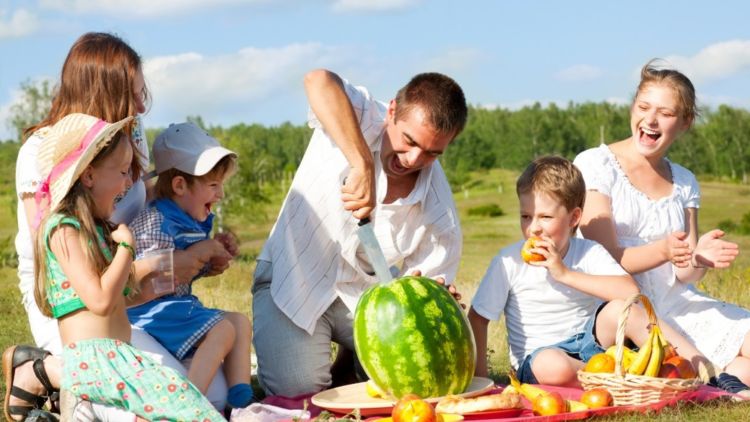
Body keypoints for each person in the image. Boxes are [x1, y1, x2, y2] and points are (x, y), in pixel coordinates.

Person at [5, 32, 227, 420]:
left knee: (215, 394)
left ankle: (70, 393)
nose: (142, 104)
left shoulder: (128, 137)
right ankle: (44, 371)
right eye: (133, 93)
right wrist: (138, 265)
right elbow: (59, 259)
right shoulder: (41, 153)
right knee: (145, 407)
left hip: (128, 290)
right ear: (102, 93)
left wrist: (194, 242)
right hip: (76, 304)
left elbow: (145, 198)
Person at [252, 69, 467, 396]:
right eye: (409, 141)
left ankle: (354, 357)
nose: (413, 159)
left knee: (418, 380)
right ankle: (351, 360)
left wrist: (433, 296)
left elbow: (423, 300)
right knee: (299, 390)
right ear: (392, 110)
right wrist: (362, 162)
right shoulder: (364, 114)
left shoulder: (440, 215)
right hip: (292, 281)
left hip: (365, 298)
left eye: (432, 153)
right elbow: (318, 80)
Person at [31, 113, 224, 420]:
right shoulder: (63, 229)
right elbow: (101, 301)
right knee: (178, 411)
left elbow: (122, 294)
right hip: (96, 364)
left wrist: (176, 275)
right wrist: (126, 248)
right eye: (122, 171)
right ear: (89, 176)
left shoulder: (98, 229)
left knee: (189, 401)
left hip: (119, 357)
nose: (129, 182)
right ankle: (78, 404)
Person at [574, 59, 750, 393]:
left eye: (666, 113)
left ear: (684, 122)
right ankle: (716, 378)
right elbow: (606, 257)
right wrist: (663, 251)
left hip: (679, 302)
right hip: (627, 310)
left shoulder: (684, 181)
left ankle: (723, 382)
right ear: (633, 107)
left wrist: (697, 260)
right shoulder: (595, 165)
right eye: (643, 107)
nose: (650, 119)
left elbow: (685, 272)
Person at [469, 156, 712, 387]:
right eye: (525, 216)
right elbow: (478, 319)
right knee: (551, 365)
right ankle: (622, 379)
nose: (534, 228)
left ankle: (692, 370)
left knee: (622, 310)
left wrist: (564, 273)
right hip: (540, 360)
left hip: (592, 347)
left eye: (545, 217)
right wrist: (482, 380)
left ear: (574, 218)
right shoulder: (509, 261)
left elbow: (629, 291)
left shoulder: (588, 251)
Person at [127, 122, 253, 409]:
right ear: (180, 185)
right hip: (152, 312)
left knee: (239, 323)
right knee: (223, 329)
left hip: (175, 308)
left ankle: (241, 402)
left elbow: (186, 270)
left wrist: (212, 260)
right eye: (212, 185)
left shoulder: (189, 217)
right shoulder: (156, 221)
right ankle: (188, 405)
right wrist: (200, 252)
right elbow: (148, 280)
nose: (220, 194)